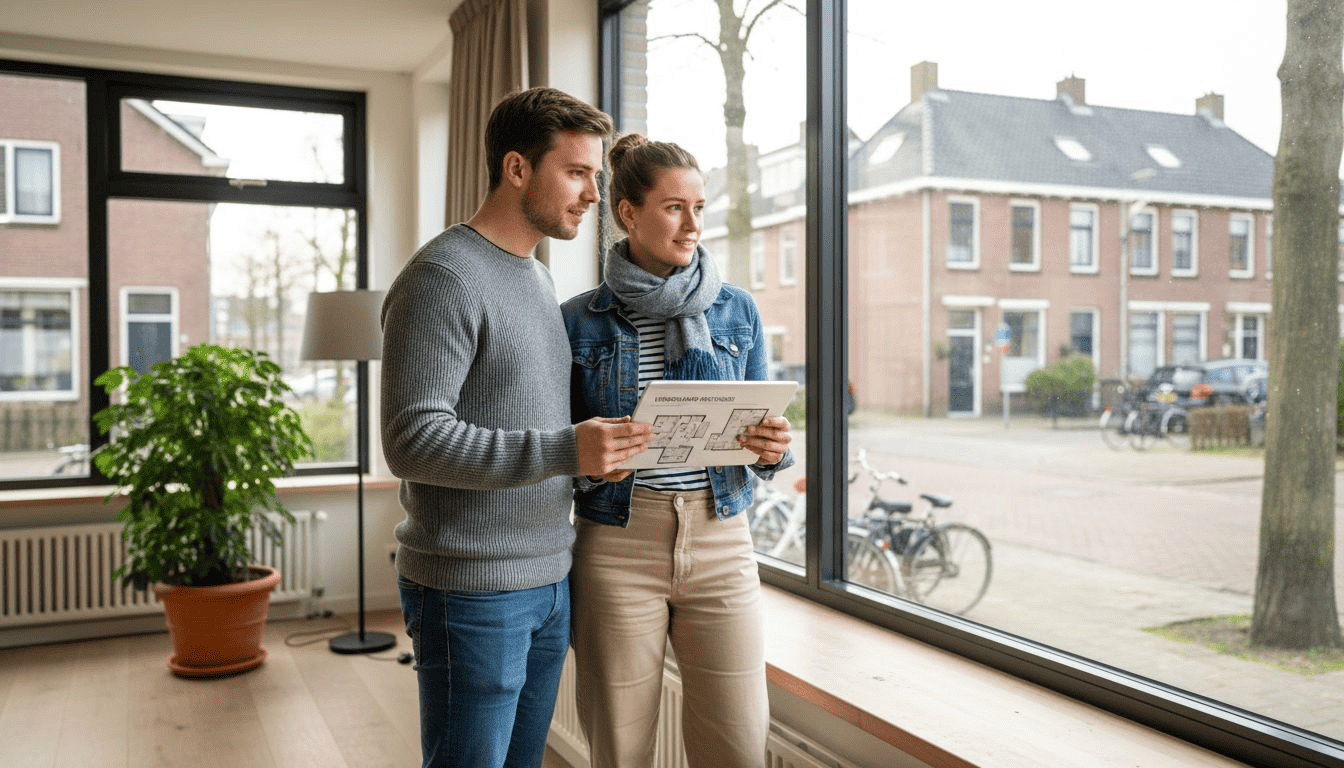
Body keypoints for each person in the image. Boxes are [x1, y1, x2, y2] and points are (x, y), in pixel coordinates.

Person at [380, 88, 652, 768]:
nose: (595, 192)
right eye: (578, 171)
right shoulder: (443, 277)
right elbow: (411, 441)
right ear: (518, 169)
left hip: (547, 578)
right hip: (471, 588)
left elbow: (525, 416)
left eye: (597, 175)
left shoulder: (534, 280)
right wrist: (568, 447)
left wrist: (602, 449)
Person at [560, 133, 795, 768]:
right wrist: (586, 454)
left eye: (699, 207)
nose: (693, 225)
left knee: (739, 743)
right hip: (617, 543)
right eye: (673, 208)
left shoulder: (736, 309)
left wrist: (772, 448)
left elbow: (765, 440)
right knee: (620, 746)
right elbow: (560, 450)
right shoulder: (579, 320)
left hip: (723, 538)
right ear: (628, 212)